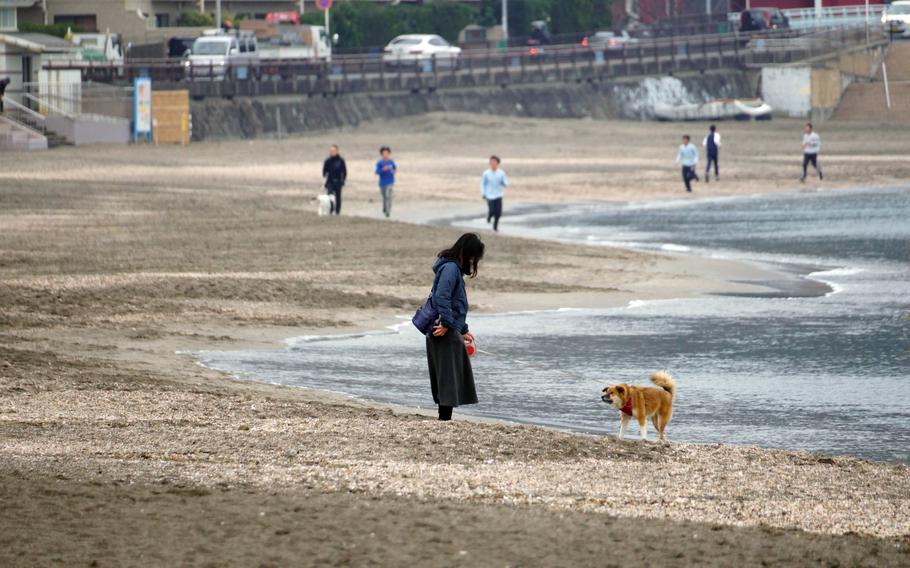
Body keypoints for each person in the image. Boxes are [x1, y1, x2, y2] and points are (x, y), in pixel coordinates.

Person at [426, 233, 485, 421]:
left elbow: (455, 303)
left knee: (447, 375)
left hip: (449, 328)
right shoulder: (451, 268)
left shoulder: (451, 268)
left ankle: (444, 417)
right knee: (448, 377)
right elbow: (442, 297)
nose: (473, 261)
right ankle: (444, 419)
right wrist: (445, 323)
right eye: (473, 256)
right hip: (444, 329)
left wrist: (463, 329)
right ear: (467, 253)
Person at [480, 155, 508, 231]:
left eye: (494, 162)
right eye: (491, 162)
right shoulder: (486, 173)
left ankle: (495, 227)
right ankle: (489, 217)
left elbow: (505, 181)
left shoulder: (501, 173)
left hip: (498, 195)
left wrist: (505, 183)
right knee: (492, 211)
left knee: (498, 212)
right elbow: (482, 183)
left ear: (497, 163)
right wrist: (483, 193)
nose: (493, 163)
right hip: (489, 195)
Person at [322, 144, 347, 215]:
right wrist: (325, 179)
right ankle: (331, 209)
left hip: (338, 181)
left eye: (334, 151)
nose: (332, 152)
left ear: (337, 151)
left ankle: (337, 211)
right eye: (331, 151)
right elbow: (324, 171)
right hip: (330, 181)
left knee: (338, 197)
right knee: (330, 196)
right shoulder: (327, 161)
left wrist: (343, 180)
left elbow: (344, 171)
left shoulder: (341, 160)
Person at [374, 146, 397, 218]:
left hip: (390, 182)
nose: (385, 155)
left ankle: (388, 211)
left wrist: (393, 172)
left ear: (389, 154)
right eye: (384, 153)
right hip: (382, 183)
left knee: (388, 196)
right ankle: (385, 208)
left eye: (387, 153)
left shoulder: (391, 162)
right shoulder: (379, 163)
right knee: (384, 197)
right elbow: (376, 172)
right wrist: (383, 169)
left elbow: (395, 169)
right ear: (381, 154)